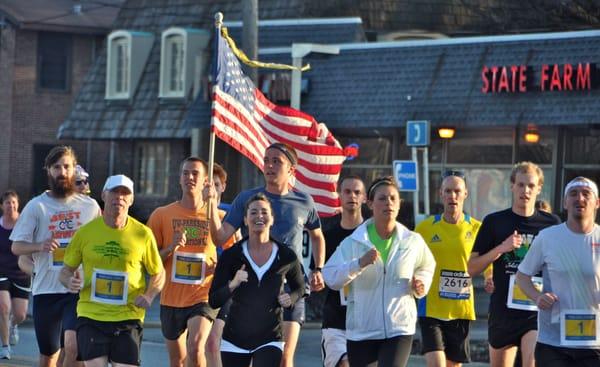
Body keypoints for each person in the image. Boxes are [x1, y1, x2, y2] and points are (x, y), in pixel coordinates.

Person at [204, 142, 326, 367]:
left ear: (291, 169)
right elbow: (219, 237)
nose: (269, 165)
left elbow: (318, 236)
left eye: (276, 161)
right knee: (236, 351)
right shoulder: (247, 199)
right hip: (249, 288)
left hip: (289, 288)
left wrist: (318, 268)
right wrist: (211, 204)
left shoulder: (303, 201)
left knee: (284, 358)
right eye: (266, 160)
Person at [323, 176, 436, 367]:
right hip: (362, 330)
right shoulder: (354, 242)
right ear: (370, 204)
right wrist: (358, 263)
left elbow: (427, 265)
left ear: (399, 204)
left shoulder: (412, 240)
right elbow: (331, 276)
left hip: (399, 328)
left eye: (393, 198)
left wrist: (421, 283)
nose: (388, 203)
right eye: (382, 198)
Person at [59, 174, 165, 367]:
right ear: (104, 195)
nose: (119, 197)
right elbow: (65, 271)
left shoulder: (143, 234)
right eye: (114, 192)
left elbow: (158, 272)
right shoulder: (85, 233)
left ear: (131, 200)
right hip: (91, 315)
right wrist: (69, 281)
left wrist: (150, 294)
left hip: (128, 317)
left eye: (125, 194)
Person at [10, 145, 101, 367]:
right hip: (45, 290)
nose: (62, 172)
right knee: (49, 355)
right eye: (57, 167)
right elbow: (17, 247)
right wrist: (39, 245)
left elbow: (100, 243)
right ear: (49, 170)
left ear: (74, 169)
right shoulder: (36, 206)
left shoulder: (90, 207)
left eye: (67, 166)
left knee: (73, 346)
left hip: (76, 290)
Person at [467, 161, 561, 367]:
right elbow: (472, 268)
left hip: (535, 310)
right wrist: (501, 248)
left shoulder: (552, 224)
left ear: (538, 189)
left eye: (530, 186)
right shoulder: (494, 221)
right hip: (503, 311)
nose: (525, 191)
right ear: (512, 186)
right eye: (520, 185)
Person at [209, 193, 305, 367]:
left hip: (270, 338)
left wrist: (290, 298)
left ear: (272, 219)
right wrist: (233, 284)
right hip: (234, 339)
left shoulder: (286, 255)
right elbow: (214, 300)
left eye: (264, 212)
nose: (259, 216)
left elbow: (300, 288)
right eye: (253, 213)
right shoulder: (232, 255)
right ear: (245, 220)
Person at [516, 176, 600, 366]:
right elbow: (522, 276)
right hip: (553, 341)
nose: (580, 198)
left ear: (597, 203)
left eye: (586, 194)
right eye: (573, 194)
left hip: (594, 342)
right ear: (564, 202)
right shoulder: (548, 238)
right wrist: (537, 297)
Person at [147, 157, 219, 367]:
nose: (190, 177)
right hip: (171, 298)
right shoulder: (161, 215)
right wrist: (170, 248)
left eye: (195, 173)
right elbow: (149, 261)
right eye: (185, 173)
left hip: (203, 295)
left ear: (206, 180)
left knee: (196, 348)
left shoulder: (217, 216)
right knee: (178, 361)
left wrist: (220, 267)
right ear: (179, 179)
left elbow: (235, 253)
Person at [415, 171, 482, 367]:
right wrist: (415, 279)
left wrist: (489, 277)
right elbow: (412, 260)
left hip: (460, 308)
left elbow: (488, 261)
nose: (453, 196)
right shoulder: (424, 228)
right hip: (431, 308)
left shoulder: (477, 228)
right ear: (440, 194)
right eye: (448, 191)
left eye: (457, 191)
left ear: (465, 194)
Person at [320, 175, 366, 367]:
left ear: (364, 198)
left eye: (357, 192)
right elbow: (320, 272)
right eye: (347, 191)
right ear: (339, 195)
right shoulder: (328, 237)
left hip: (367, 320)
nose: (352, 196)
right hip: (335, 319)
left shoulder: (371, 234)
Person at [206, 162, 239, 367]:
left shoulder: (231, 214)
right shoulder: (194, 214)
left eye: (217, 185)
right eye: (209, 185)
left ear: (223, 187)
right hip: (199, 286)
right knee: (200, 345)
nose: (212, 189)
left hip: (226, 284)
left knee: (214, 342)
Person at [0, 191, 29, 359]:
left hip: (21, 273)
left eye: (13, 202)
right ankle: (5, 347)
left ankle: (13, 325)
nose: (10, 205)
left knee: (20, 314)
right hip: (1, 272)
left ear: (18, 204)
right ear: (2, 206)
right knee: (3, 307)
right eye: (7, 203)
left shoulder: (24, 224)